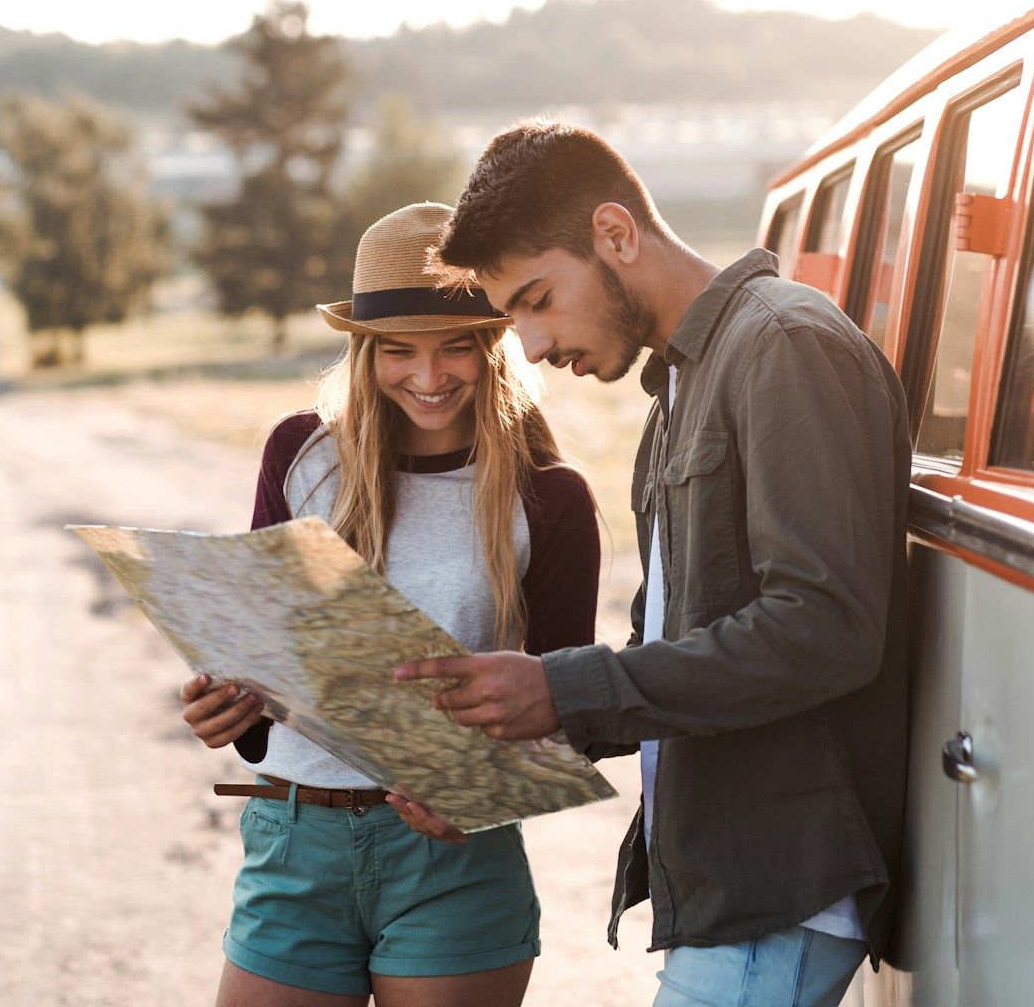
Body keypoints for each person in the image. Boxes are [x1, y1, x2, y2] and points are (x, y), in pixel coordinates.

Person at [394, 123, 911, 1007]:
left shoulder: (782, 344)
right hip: (725, 882)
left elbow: (825, 629)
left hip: (773, 883)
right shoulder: (679, 385)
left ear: (617, 235)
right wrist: (498, 759)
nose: (533, 347)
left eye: (539, 299)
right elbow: (675, 654)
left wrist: (564, 687)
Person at [179, 202, 601, 1007]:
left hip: (453, 862)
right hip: (293, 842)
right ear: (363, 350)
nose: (429, 376)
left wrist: (478, 807)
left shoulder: (548, 497)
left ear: (493, 345)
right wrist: (228, 708)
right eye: (397, 351)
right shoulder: (300, 457)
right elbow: (265, 668)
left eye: (456, 349)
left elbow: (566, 711)